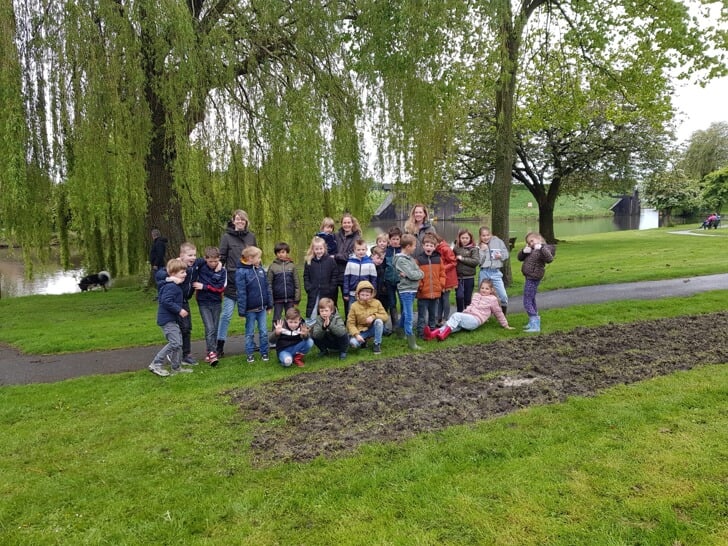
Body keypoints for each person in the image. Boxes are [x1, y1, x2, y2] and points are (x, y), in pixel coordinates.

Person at [217, 210, 257, 357]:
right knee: (226, 315)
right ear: (233, 221)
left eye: (243, 219)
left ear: (246, 222)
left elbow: (256, 255)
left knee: (250, 314)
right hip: (232, 281)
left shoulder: (251, 237)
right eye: (237, 219)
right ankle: (219, 345)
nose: (240, 221)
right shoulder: (226, 237)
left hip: (248, 280)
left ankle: (250, 342)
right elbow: (221, 257)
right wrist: (218, 270)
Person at [155, 242, 202, 366]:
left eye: (194, 255)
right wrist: (169, 278)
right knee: (177, 329)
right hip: (174, 302)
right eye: (189, 255)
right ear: (181, 256)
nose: (193, 258)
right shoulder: (175, 266)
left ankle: (186, 355)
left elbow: (209, 259)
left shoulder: (196, 264)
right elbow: (159, 275)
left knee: (186, 328)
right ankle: (174, 354)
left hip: (184, 301)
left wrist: (218, 263)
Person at [425, 279, 514, 341]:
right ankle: (433, 335)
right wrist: (465, 313)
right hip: (468, 316)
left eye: (487, 289)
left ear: (491, 290)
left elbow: (499, 313)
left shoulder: (492, 299)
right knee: (455, 325)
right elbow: (471, 306)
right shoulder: (476, 295)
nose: (484, 290)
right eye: (482, 288)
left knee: (456, 315)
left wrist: (505, 325)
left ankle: (442, 334)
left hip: (475, 320)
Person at [148, 258, 193, 376]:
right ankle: (156, 364)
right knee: (175, 343)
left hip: (172, 320)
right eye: (182, 272)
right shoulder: (171, 287)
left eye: (185, 271)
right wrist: (180, 310)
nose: (185, 274)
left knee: (178, 343)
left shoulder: (173, 285)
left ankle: (176, 368)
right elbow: (165, 301)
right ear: (173, 274)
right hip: (167, 321)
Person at [236, 246, 273, 363]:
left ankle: (264, 352)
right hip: (250, 310)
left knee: (263, 332)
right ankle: (250, 353)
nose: (260, 259)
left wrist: (269, 305)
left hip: (262, 308)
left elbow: (267, 288)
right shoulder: (241, 272)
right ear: (250, 258)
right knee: (249, 333)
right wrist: (242, 311)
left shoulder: (260, 269)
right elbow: (241, 293)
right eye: (258, 257)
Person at [192, 247, 227, 366]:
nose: (213, 264)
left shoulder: (222, 271)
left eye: (216, 261)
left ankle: (209, 352)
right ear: (206, 259)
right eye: (210, 261)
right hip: (203, 302)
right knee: (210, 328)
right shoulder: (201, 266)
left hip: (216, 302)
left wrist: (205, 286)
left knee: (215, 328)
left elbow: (220, 288)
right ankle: (212, 353)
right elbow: (192, 262)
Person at [517, 232, 555, 333]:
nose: (531, 244)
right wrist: (524, 251)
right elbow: (519, 258)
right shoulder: (531, 250)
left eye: (532, 241)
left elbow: (550, 259)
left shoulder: (546, 248)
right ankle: (533, 321)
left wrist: (541, 248)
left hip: (534, 277)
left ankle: (535, 324)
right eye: (529, 243)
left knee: (527, 300)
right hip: (528, 276)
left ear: (539, 238)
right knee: (531, 298)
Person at [393, 234, 425, 350]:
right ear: (407, 246)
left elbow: (420, 273)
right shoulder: (401, 260)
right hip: (406, 290)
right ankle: (412, 342)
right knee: (409, 315)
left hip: (412, 289)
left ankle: (399, 332)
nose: (415, 248)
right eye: (414, 246)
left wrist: (416, 274)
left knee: (406, 313)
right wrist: (415, 274)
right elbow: (413, 274)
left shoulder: (410, 259)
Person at [416, 233, 446, 338]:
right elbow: (417, 275)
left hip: (436, 292)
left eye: (431, 246)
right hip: (423, 293)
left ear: (434, 247)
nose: (429, 247)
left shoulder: (438, 259)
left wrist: (441, 284)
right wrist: (420, 286)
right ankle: (420, 332)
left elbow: (442, 273)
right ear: (423, 246)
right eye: (427, 245)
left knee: (433, 313)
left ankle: (432, 330)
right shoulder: (419, 259)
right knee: (422, 315)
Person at [346, 280, 388, 354]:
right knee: (353, 343)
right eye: (362, 295)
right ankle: (363, 341)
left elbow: (385, 316)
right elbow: (350, 323)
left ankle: (377, 344)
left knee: (379, 321)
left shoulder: (377, 302)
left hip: (374, 328)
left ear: (371, 294)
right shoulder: (354, 306)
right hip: (361, 330)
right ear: (358, 294)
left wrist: (373, 317)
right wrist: (356, 335)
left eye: (367, 295)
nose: (365, 297)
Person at [303, 236, 338, 320]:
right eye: (316, 249)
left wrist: (331, 288)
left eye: (321, 248)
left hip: (327, 291)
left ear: (324, 248)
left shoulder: (330, 261)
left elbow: (334, 275)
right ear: (313, 249)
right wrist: (308, 287)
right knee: (313, 309)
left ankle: (327, 328)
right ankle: (312, 327)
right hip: (314, 291)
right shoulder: (309, 261)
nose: (319, 251)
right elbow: (306, 276)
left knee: (326, 309)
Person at [333, 213, 362, 316]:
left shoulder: (356, 237)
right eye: (344, 222)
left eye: (348, 222)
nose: (346, 225)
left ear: (352, 223)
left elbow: (351, 255)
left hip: (348, 273)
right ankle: (334, 323)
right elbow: (330, 249)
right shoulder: (336, 236)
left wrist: (336, 256)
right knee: (332, 300)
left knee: (347, 300)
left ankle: (349, 322)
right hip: (335, 273)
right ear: (341, 224)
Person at [478, 226, 510, 314]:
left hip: (496, 272)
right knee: (482, 295)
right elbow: (479, 262)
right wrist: (482, 251)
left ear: (491, 234)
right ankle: (482, 315)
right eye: (483, 236)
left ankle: (503, 316)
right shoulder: (479, 245)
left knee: (503, 295)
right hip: (484, 272)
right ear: (480, 236)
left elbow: (506, 254)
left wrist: (501, 256)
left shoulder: (498, 242)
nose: (486, 237)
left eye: (487, 235)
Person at [267, 241, 301, 323]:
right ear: (276, 254)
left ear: (287, 252)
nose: (281, 254)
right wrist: (270, 301)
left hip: (290, 298)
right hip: (277, 299)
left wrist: (297, 299)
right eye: (278, 252)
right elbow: (269, 285)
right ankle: (275, 334)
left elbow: (297, 283)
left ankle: (290, 334)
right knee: (276, 318)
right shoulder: (272, 267)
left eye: (283, 252)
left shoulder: (291, 266)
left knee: (291, 317)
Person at [343, 238, 378, 306]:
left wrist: (373, 292)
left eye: (363, 249)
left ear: (366, 250)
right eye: (358, 250)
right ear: (354, 250)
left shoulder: (370, 263)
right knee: (352, 311)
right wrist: (346, 293)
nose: (361, 252)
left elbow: (373, 280)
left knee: (365, 312)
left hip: (365, 293)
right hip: (352, 293)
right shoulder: (350, 262)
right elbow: (346, 279)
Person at [453, 229, 480, 312]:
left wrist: (462, 259)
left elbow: (475, 262)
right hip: (459, 277)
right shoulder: (456, 248)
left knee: (467, 298)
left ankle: (468, 315)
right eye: (462, 238)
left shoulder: (474, 249)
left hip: (469, 277)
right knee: (459, 296)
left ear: (470, 239)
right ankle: (459, 313)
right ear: (459, 238)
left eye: (467, 238)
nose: (464, 240)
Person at [435, 233, 458, 327]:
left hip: (448, 277)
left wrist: (442, 268)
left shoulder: (445, 248)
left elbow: (453, 262)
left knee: (445, 298)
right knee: (440, 298)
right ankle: (439, 317)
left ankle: (445, 318)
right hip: (440, 276)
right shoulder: (437, 249)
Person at [384, 226, 403, 331]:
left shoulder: (403, 251)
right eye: (393, 239)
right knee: (392, 303)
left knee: (402, 302)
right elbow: (383, 266)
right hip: (389, 281)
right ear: (389, 240)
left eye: (397, 239)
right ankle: (395, 324)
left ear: (400, 239)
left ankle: (403, 322)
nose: (395, 241)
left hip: (401, 281)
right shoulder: (386, 251)